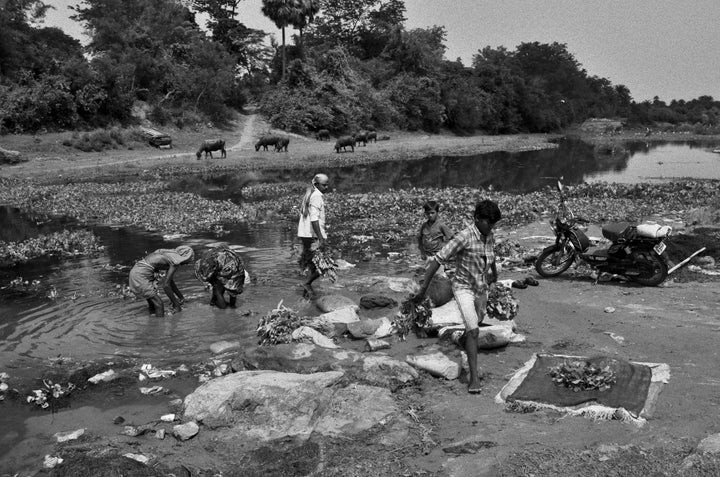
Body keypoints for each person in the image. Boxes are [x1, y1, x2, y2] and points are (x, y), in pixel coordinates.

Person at [412, 199, 502, 394]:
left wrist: (494, 275)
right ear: (478, 219)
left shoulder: (490, 234)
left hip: (481, 287)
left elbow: (491, 255)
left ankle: (462, 338)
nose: (491, 227)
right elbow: (437, 260)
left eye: (494, 224)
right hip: (463, 288)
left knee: (476, 322)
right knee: (473, 328)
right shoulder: (464, 237)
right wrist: (422, 290)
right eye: (489, 223)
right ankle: (474, 377)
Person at [128, 246, 195, 317]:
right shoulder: (175, 262)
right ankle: (160, 326)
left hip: (136, 272)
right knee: (159, 304)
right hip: (140, 276)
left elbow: (170, 282)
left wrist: (181, 298)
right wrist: (176, 304)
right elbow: (166, 285)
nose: (187, 264)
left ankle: (152, 323)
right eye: (188, 260)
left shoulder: (169, 256)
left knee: (153, 304)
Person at [297, 173, 330, 298]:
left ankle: (307, 295)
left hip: (305, 234)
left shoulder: (310, 193)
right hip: (312, 235)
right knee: (324, 265)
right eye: (324, 185)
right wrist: (321, 239)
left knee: (312, 264)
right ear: (316, 184)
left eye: (327, 185)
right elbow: (314, 219)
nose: (326, 187)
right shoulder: (316, 196)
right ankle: (307, 284)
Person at [195, 245, 246, 309]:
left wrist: (215, 286)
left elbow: (207, 277)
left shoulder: (205, 263)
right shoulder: (210, 254)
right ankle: (233, 306)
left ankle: (223, 308)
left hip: (226, 268)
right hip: (237, 265)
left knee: (218, 290)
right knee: (233, 288)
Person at [417, 200, 454, 264]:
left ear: (437, 212)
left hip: (438, 255)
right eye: (428, 213)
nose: (430, 215)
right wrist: (422, 252)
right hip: (427, 254)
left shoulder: (441, 225)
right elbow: (419, 238)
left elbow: (452, 238)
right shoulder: (424, 226)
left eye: (432, 213)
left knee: (438, 272)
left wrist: (447, 252)